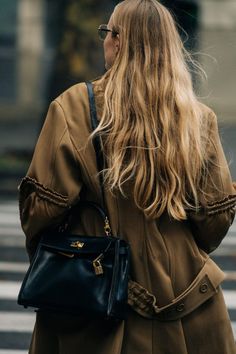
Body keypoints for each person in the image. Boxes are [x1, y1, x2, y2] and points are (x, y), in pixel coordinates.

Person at [19, 0, 236, 353]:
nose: (104, 40)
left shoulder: (73, 107)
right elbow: (212, 224)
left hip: (91, 303)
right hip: (185, 307)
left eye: (106, 32)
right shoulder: (198, 119)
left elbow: (42, 211)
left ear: (118, 41)